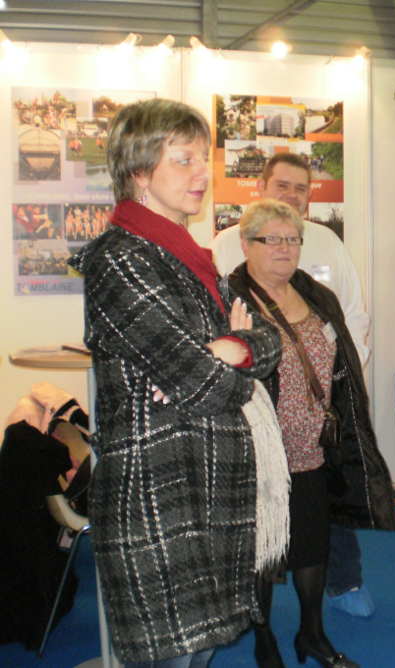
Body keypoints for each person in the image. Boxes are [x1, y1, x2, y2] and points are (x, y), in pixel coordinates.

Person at [67, 98, 290, 668]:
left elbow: (269, 340)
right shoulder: (119, 259)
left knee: (199, 652)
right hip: (158, 491)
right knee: (168, 657)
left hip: (209, 486)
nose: (201, 175)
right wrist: (221, 363)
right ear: (139, 169)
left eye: (202, 160)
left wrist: (231, 348)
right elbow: (201, 385)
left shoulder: (191, 256)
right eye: (183, 160)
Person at [226, 198, 395, 668]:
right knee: (263, 552)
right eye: (271, 239)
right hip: (259, 453)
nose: (284, 248)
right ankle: (264, 641)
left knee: (311, 543)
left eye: (293, 239)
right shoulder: (228, 301)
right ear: (246, 244)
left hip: (312, 448)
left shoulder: (316, 294)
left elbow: (340, 359)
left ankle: (312, 633)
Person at [212, 152, 375, 617]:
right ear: (262, 186)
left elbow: (354, 315)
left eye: (301, 189)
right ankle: (246, 603)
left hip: (319, 408)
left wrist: (338, 377)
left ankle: (344, 583)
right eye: (282, 185)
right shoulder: (227, 244)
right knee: (257, 514)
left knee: (325, 499)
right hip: (259, 410)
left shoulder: (326, 242)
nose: (291, 195)